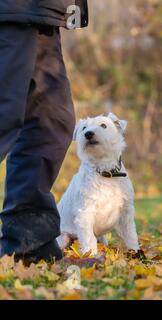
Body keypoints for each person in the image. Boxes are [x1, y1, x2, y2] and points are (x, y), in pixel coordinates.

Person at [0, 0, 88, 263]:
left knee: (51, 121)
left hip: (41, 12)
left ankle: (29, 246)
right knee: (4, 115)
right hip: (13, 9)